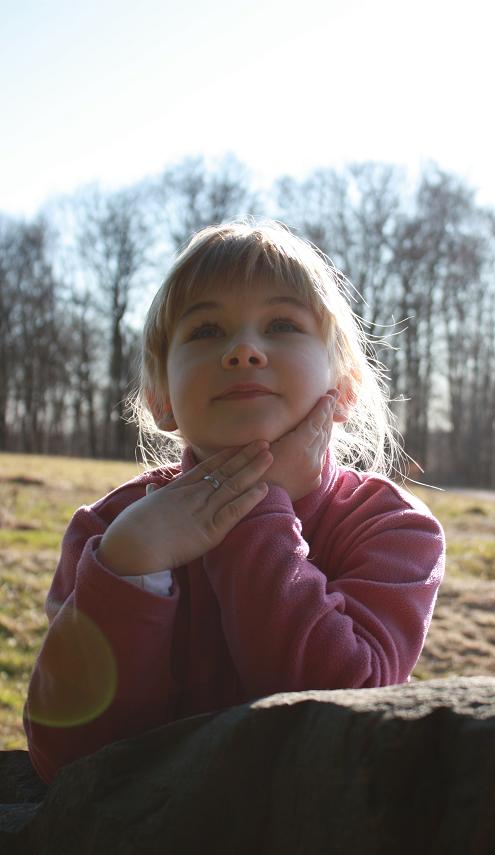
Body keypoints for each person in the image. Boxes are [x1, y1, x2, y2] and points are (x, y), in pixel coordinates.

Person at [24, 219, 445, 784]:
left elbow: (345, 713)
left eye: (280, 324)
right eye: (205, 332)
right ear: (160, 400)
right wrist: (131, 565)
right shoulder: (109, 531)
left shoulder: (391, 528)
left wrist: (256, 505)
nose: (244, 350)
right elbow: (66, 759)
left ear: (342, 389)